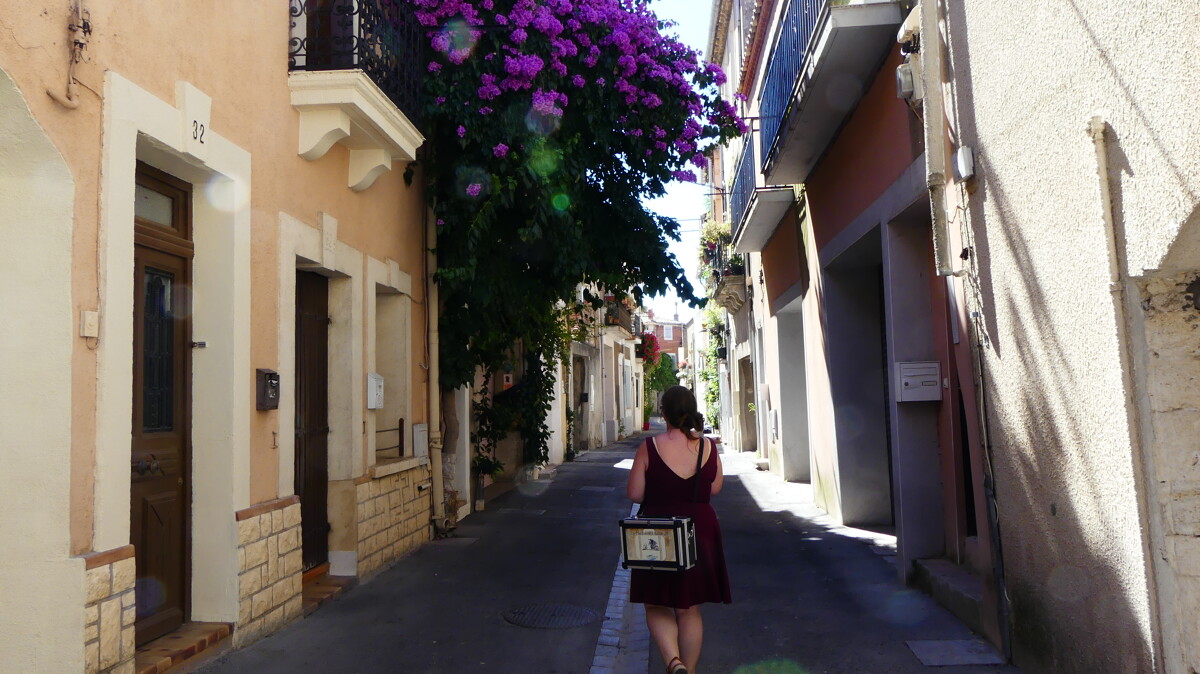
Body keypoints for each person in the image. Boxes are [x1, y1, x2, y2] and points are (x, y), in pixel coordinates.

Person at [626, 385, 731, 674]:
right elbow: (717, 487)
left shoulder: (651, 447)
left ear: (664, 413)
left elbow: (635, 493)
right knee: (689, 608)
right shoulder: (708, 446)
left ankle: (674, 662)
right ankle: (690, 670)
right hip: (701, 529)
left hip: (659, 532)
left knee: (656, 603)